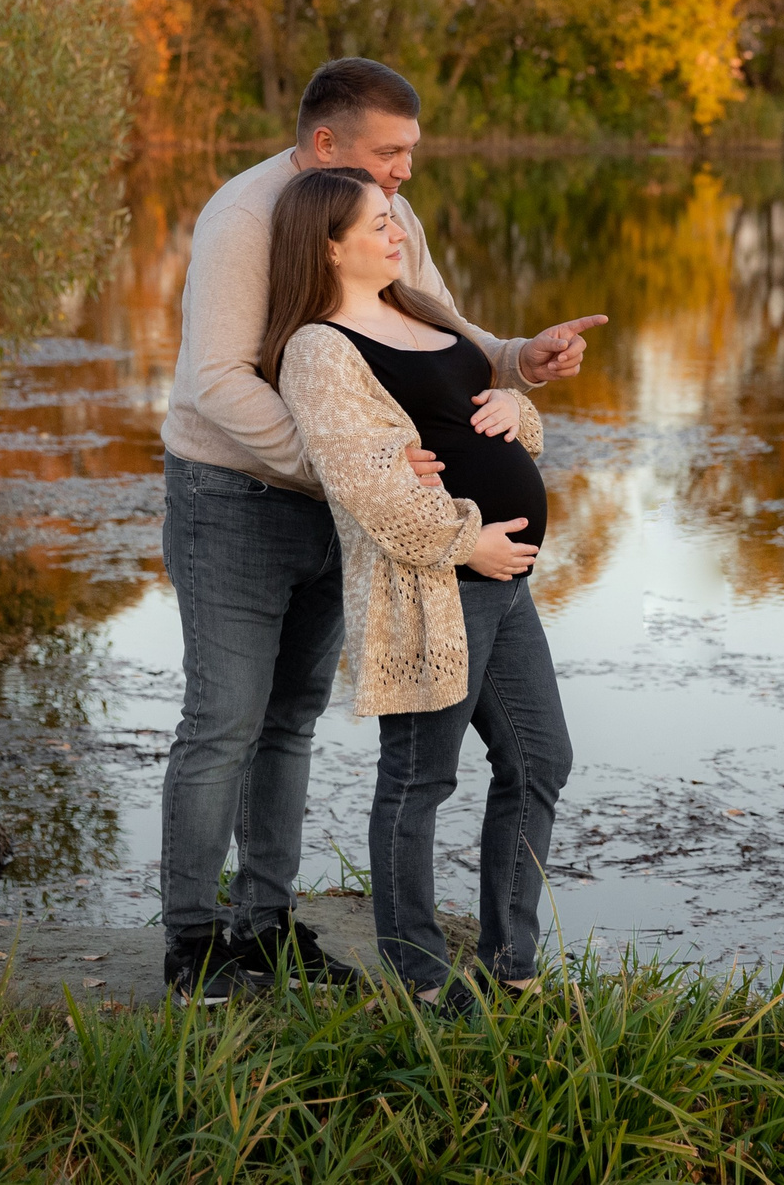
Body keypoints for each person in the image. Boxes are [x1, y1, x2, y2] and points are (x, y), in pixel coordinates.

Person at [155, 57, 604, 1004]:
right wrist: (358, 470)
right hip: (234, 494)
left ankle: (266, 923)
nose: (404, 173)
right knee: (225, 719)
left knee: (292, 716)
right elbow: (221, 381)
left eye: (409, 154)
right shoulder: (245, 220)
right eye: (389, 152)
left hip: (348, 512)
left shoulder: (386, 218)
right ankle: (193, 943)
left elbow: (435, 331)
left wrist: (520, 362)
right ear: (327, 144)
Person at [262, 166, 569, 1004]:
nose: (399, 233)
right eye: (378, 224)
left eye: (393, 219)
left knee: (540, 758)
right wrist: (469, 541)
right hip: (433, 588)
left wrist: (516, 411)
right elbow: (365, 485)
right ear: (330, 246)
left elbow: (487, 405)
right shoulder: (319, 350)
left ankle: (511, 966)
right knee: (418, 779)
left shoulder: (421, 307)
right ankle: (420, 977)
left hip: (504, 583)